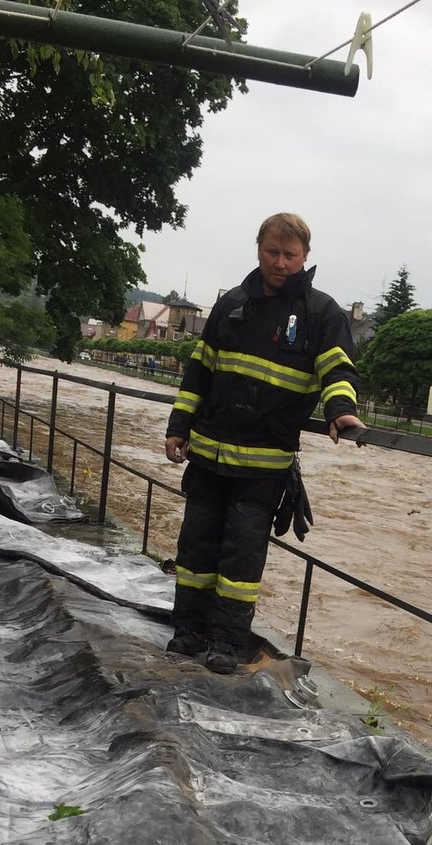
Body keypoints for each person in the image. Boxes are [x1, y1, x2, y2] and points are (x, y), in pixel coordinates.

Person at [163, 212, 364, 674]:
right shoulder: (231, 304)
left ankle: (229, 643)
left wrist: (340, 412)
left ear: (305, 257)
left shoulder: (321, 314)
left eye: (290, 255)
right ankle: (188, 630)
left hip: (263, 465)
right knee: (195, 547)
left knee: (242, 555)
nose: (280, 263)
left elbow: (337, 369)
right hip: (208, 454)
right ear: (258, 249)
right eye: (272, 252)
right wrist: (179, 426)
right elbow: (200, 372)